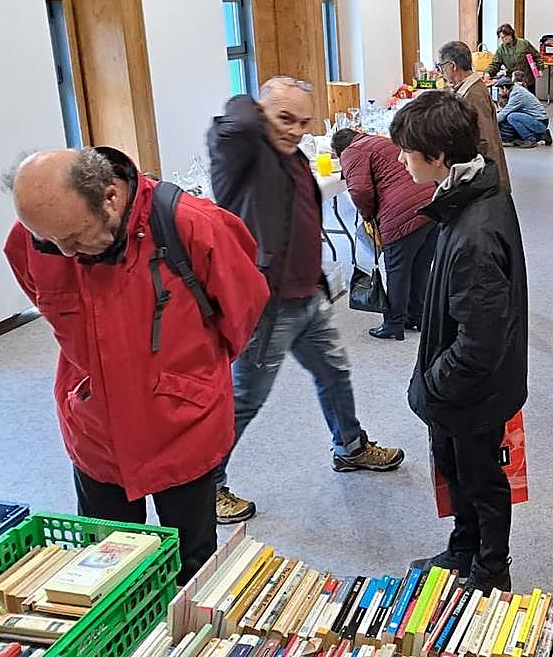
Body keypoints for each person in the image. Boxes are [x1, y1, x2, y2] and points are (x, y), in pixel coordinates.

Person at [3, 147, 270, 583]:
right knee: (105, 568)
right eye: (51, 242)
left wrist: (187, 377)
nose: (65, 253)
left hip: (181, 425)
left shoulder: (193, 225)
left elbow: (242, 311)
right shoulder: (39, 235)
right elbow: (42, 292)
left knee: (192, 565)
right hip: (94, 432)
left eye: (74, 236)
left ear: (110, 197)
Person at [207, 78, 406, 524]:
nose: (296, 130)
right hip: (266, 305)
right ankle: (207, 486)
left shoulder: (292, 156)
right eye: (284, 119)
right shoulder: (242, 155)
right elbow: (231, 124)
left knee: (334, 374)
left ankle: (350, 448)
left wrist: (317, 280)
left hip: (306, 295)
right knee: (244, 400)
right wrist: (260, 106)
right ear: (260, 114)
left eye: (303, 122)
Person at [392, 92, 528, 593]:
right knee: (458, 470)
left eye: (408, 151)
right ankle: (464, 548)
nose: (402, 160)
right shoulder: (469, 195)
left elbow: (480, 343)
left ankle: (492, 569)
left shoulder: (476, 229)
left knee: (481, 481)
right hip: (467, 388)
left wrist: (432, 384)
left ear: (439, 156)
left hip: (473, 389)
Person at [332, 128, 438, 341]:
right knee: (420, 265)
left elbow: (360, 191)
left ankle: (393, 324)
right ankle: (416, 316)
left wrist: (368, 216)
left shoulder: (352, 152)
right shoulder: (379, 141)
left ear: (339, 150)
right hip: (431, 203)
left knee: (397, 269)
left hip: (401, 212)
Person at [439, 40, 511, 189]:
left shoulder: (473, 95)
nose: (442, 72)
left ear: (452, 66)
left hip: (484, 172)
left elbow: (484, 139)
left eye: (442, 67)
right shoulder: (468, 89)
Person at [495, 74, 551, 147]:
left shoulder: (517, 94)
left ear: (504, 88)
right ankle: (542, 135)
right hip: (537, 120)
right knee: (512, 118)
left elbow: (504, 113)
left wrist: (491, 122)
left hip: (540, 122)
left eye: (499, 90)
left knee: (511, 117)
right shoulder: (516, 89)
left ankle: (530, 140)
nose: (499, 93)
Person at [486, 24, 542, 94]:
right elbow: (495, 64)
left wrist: (539, 69)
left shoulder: (524, 44)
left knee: (529, 101)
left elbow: (536, 56)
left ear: (511, 34)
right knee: (515, 101)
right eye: (501, 38)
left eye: (504, 37)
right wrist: (488, 72)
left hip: (528, 80)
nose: (503, 39)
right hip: (513, 80)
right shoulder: (501, 50)